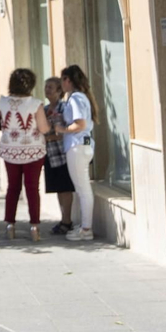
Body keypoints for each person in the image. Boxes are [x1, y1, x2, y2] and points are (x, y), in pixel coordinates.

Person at [0, 68, 51, 242]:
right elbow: (43, 128)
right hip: (33, 150)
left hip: (9, 150)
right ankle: (34, 227)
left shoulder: (1, 103)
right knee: (32, 188)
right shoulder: (35, 104)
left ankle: (10, 226)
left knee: (13, 188)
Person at [57, 66, 97, 242]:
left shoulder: (75, 98)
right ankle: (85, 227)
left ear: (68, 80)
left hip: (77, 146)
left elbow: (79, 124)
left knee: (83, 189)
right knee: (83, 189)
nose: (61, 83)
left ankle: (86, 229)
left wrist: (61, 129)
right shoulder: (80, 98)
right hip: (83, 145)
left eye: (62, 79)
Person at [41, 78, 75, 235]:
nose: (47, 90)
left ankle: (67, 221)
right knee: (58, 189)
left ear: (59, 91)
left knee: (66, 188)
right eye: (46, 87)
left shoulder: (65, 108)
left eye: (51, 87)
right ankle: (63, 220)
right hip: (50, 155)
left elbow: (69, 130)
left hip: (63, 154)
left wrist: (52, 137)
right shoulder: (45, 109)